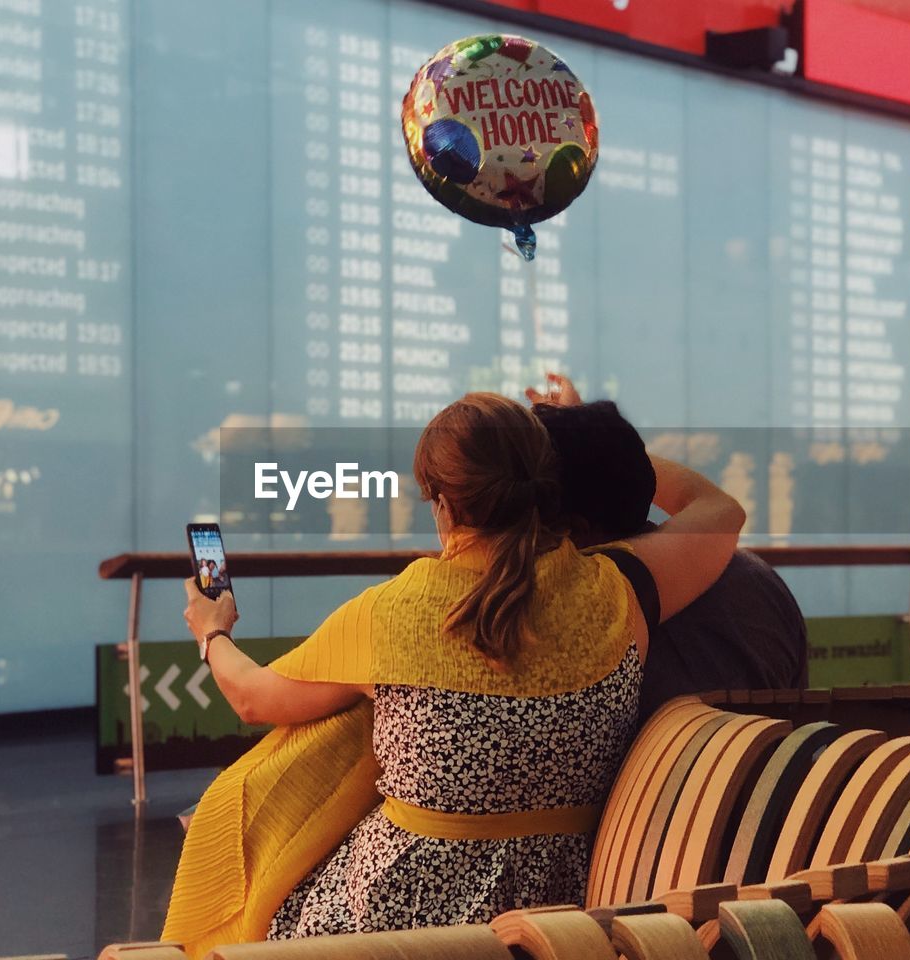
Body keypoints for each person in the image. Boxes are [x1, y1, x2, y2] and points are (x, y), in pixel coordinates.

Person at [165, 393, 744, 952]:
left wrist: (213, 632)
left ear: (442, 501)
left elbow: (252, 699)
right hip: (561, 923)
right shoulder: (620, 590)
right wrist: (582, 435)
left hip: (391, 928)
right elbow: (721, 509)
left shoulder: (394, 612)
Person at [528, 373, 807, 719]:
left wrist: (581, 435)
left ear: (577, 530)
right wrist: (591, 435)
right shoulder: (758, 583)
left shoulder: (570, 619)